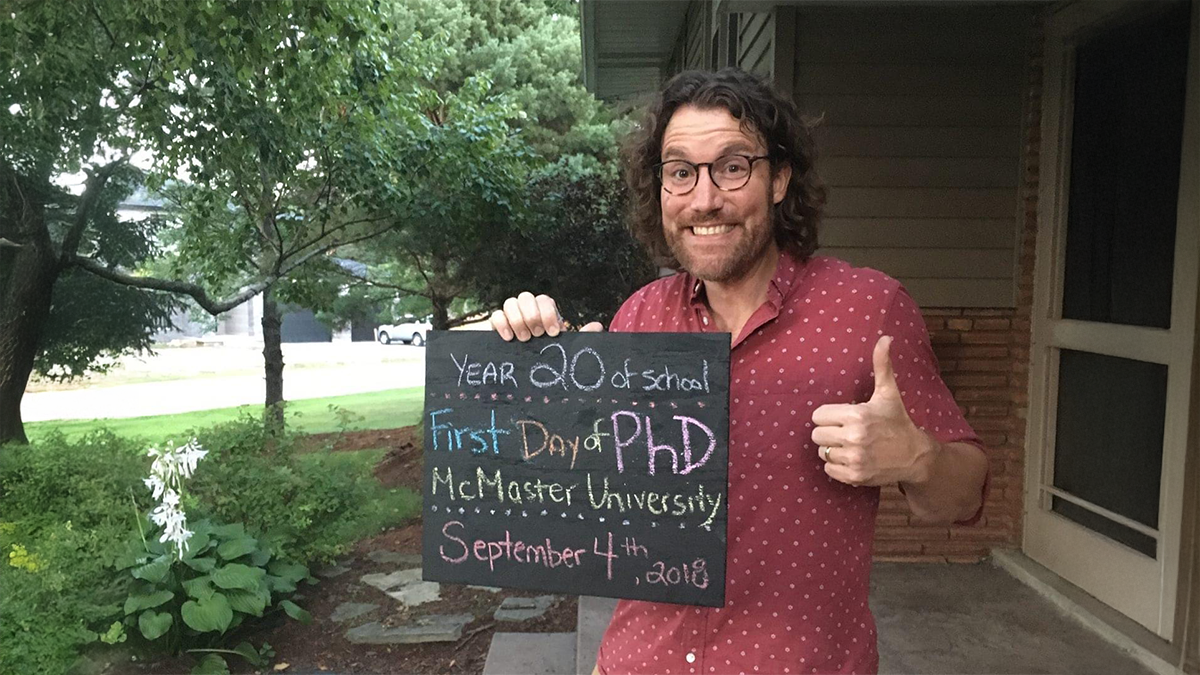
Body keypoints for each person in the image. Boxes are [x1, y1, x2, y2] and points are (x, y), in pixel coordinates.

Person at [489, 68, 988, 675]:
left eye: (731, 167)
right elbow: (579, 494)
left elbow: (963, 499)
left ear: (778, 179)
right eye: (680, 172)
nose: (704, 199)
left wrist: (918, 459)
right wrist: (533, 370)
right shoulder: (638, 316)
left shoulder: (868, 309)